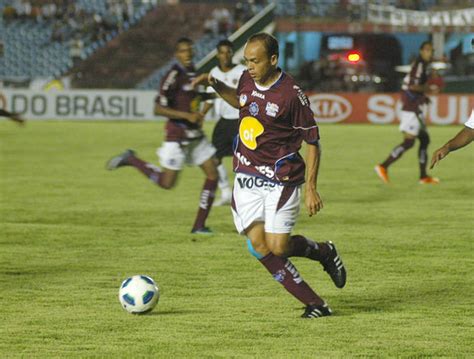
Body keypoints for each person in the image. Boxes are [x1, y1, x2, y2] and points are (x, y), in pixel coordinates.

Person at [193, 33, 346, 318]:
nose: (249, 67)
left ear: (273, 60)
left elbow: (313, 142)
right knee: (258, 245)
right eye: (246, 61)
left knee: (279, 246)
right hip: (247, 175)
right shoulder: (246, 79)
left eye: (255, 61)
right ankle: (317, 304)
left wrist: (312, 187)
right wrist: (215, 84)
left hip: (281, 179)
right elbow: (240, 102)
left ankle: (324, 252)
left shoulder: (292, 95)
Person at [107, 37, 218, 234]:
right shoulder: (173, 76)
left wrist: (202, 113)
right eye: (183, 51)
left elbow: (206, 97)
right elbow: (158, 108)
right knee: (167, 183)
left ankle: (199, 226)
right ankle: (132, 159)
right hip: (177, 135)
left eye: (190, 50)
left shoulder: (196, 73)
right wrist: (187, 115)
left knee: (213, 174)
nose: (188, 54)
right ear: (177, 54)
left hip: (195, 136)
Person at [375, 41, 440, 184]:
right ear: (421, 51)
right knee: (409, 142)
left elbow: (413, 87)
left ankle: (423, 176)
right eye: (428, 50)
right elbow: (412, 86)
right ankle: (383, 166)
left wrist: (424, 97)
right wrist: (429, 90)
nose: (430, 53)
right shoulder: (420, 65)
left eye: (432, 50)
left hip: (414, 106)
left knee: (424, 139)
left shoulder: (422, 65)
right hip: (411, 108)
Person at [201, 40, 245, 206]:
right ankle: (226, 192)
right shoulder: (213, 72)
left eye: (228, 52)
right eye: (222, 52)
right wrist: (201, 114)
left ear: (232, 53)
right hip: (224, 122)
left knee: (245, 159)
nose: (225, 55)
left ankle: (242, 194)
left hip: (241, 121)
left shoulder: (242, 71)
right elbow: (210, 97)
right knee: (215, 157)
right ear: (217, 54)